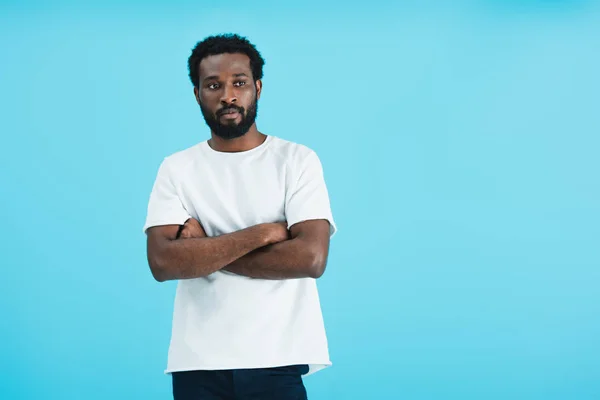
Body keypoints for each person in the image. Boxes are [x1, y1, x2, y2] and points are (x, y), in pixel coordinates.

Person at [142, 33, 337, 400]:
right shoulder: (177, 168)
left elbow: (310, 258)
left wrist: (202, 250)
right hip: (196, 363)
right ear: (198, 94)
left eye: (239, 83)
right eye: (213, 85)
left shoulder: (297, 161)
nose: (228, 95)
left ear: (258, 88)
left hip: (278, 358)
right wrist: (263, 233)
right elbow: (163, 262)